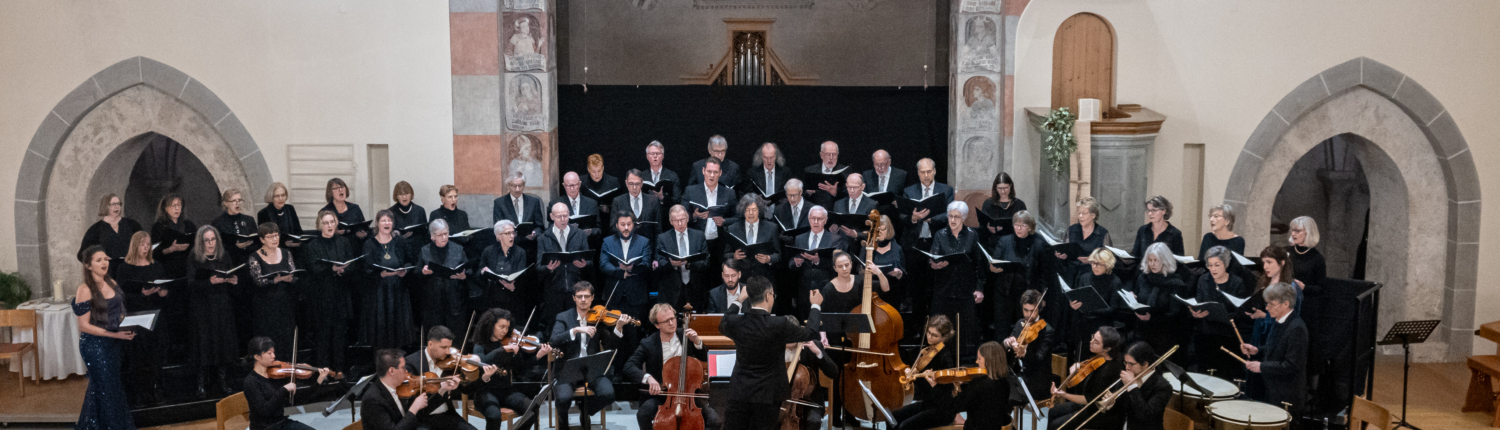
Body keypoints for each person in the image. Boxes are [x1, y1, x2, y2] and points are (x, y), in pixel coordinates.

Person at [719, 276, 823, 430]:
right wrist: (815, 305)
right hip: (767, 396)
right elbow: (812, 332)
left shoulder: (736, 322)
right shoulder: (779, 324)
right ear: (768, 296)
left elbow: (723, 323)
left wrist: (738, 300)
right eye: (773, 295)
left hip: (739, 392)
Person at [549, 282, 633, 430]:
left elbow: (609, 345)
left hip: (592, 370)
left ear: (592, 298)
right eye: (580, 296)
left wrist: (618, 327)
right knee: (563, 399)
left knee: (608, 394)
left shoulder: (598, 318)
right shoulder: (563, 317)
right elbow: (554, 340)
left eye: (586, 296)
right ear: (574, 298)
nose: (583, 300)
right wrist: (575, 330)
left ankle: (585, 410)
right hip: (566, 371)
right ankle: (563, 423)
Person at [624, 304, 721, 430]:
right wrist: (648, 378)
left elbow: (703, 356)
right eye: (666, 321)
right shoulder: (648, 344)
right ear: (657, 325)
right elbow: (629, 366)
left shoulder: (685, 336)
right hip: (661, 396)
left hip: (688, 395)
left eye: (673, 318)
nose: (671, 323)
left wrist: (697, 341)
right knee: (643, 414)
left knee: (715, 421)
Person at [74, 246, 138, 430]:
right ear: (88, 265)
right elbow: (83, 325)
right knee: (106, 389)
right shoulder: (84, 290)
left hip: (113, 343)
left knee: (107, 389)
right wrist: (114, 334)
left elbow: (119, 314)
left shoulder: (112, 283)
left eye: (106, 259)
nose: (104, 263)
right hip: (95, 346)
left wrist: (129, 325)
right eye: (99, 260)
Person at [473, 308, 553, 430]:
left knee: (532, 409)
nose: (505, 331)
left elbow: (521, 369)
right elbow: (483, 361)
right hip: (485, 392)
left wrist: (538, 355)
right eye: (501, 327)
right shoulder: (480, 345)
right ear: (491, 325)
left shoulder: (508, 343)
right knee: (494, 416)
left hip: (506, 391)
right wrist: (502, 350)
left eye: (507, 327)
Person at [114, 231, 169, 406]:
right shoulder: (125, 268)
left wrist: (164, 292)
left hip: (156, 315)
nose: (145, 247)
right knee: (138, 357)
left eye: (147, 244)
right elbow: (121, 296)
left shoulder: (156, 265)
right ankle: (140, 393)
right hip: (136, 316)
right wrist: (142, 294)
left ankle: (157, 389)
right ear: (135, 245)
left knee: (156, 355)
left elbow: (166, 290)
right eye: (142, 244)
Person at [1239, 282, 1308, 418]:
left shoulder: (1296, 328)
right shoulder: (1279, 320)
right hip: (1273, 390)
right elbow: (1276, 347)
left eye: (1271, 304)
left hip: (1287, 395)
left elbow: (1291, 365)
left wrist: (1261, 367)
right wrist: (1257, 350)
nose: (1267, 307)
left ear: (1285, 304)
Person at [302, 210, 358, 371]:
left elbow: (352, 265)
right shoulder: (312, 246)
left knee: (340, 336)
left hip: (340, 295)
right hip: (322, 297)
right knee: (323, 337)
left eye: (332, 222)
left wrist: (343, 270)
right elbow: (313, 268)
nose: (329, 226)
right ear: (320, 225)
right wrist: (331, 269)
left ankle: (340, 371)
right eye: (326, 223)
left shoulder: (344, 242)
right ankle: (324, 372)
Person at [187, 226, 240, 396]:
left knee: (222, 342)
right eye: (207, 240)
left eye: (213, 239)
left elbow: (230, 275)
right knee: (204, 342)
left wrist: (233, 281)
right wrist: (209, 282)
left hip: (222, 304)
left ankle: (223, 380)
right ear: (201, 242)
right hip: (203, 307)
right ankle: (201, 382)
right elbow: (190, 284)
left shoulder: (224, 256)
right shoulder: (194, 257)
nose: (210, 243)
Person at [989, 210, 1056, 338]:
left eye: (1023, 225)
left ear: (1030, 227)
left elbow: (1044, 274)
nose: (1018, 228)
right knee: (1002, 330)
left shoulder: (1039, 243)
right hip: (1005, 292)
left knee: (1025, 330)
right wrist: (993, 268)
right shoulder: (1004, 241)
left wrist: (1042, 297)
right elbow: (995, 261)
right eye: (1016, 225)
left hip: (1027, 293)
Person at [242, 337, 329, 430]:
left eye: (273, 352)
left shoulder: (277, 375)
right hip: (265, 427)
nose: (273, 356)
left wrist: (318, 382)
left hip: (281, 423)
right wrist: (284, 390)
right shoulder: (251, 382)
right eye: (269, 353)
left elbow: (298, 399)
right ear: (257, 357)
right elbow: (265, 411)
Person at [928, 201, 983, 347]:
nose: (952, 220)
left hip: (965, 289)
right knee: (942, 329)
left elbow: (979, 264)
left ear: (963, 218)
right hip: (944, 288)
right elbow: (932, 257)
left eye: (957, 217)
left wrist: (979, 288)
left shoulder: (972, 235)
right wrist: (934, 264)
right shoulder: (940, 234)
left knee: (964, 331)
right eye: (950, 216)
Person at [1048, 327, 1125, 430]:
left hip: (1099, 412)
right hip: (1091, 403)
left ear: (1107, 349)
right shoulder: (1103, 357)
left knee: (1056, 425)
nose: (1091, 341)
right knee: (1053, 411)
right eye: (1093, 337)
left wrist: (1064, 394)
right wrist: (1079, 365)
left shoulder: (1107, 372)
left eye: (1096, 342)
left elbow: (1089, 399)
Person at [404, 326, 481, 430]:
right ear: (430, 344)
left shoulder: (451, 363)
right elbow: (413, 407)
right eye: (443, 347)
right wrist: (442, 390)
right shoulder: (411, 363)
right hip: (423, 419)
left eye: (449, 347)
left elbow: (467, 390)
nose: (448, 352)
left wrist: (483, 377)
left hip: (447, 415)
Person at [1192, 246, 1250, 377]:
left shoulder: (1237, 283)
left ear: (1226, 264)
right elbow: (1199, 302)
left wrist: (1224, 316)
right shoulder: (1203, 280)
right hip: (1206, 334)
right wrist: (1195, 313)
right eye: (1210, 265)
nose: (1213, 269)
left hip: (1228, 336)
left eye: (1217, 265)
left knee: (1225, 375)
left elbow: (1241, 312)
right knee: (1204, 374)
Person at [892, 316, 958, 430]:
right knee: (893, 416)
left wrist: (933, 384)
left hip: (942, 410)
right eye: (928, 332)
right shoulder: (928, 351)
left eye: (934, 335)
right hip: (928, 403)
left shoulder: (945, 357)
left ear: (944, 337)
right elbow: (923, 388)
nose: (929, 337)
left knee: (904, 426)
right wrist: (913, 375)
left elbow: (945, 397)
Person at [362, 210, 415, 350]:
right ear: (377, 223)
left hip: (397, 290)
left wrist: (405, 271)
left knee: (398, 327)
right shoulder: (369, 244)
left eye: (389, 220)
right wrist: (380, 275)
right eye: (383, 220)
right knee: (380, 328)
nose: (387, 223)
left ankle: (397, 363)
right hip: (378, 293)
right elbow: (365, 269)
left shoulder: (399, 241)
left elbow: (410, 261)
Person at [1127, 242, 1190, 355]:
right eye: (1150, 260)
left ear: (1165, 261)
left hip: (1164, 335)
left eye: (1156, 260)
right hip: (1142, 332)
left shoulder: (1175, 283)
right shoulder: (1143, 278)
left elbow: (1176, 314)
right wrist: (1133, 298)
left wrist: (1152, 317)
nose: (1152, 264)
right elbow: (1139, 298)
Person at [248, 222, 298, 352]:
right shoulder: (255, 257)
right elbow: (258, 281)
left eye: (276, 235)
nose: (275, 239)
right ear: (262, 239)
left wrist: (291, 278)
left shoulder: (286, 253)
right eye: (270, 237)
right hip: (265, 305)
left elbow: (294, 273)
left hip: (284, 303)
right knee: (269, 340)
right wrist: (276, 280)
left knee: (287, 338)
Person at [538, 202, 593, 320]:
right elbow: (538, 266)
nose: (563, 219)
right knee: (554, 325)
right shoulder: (543, 238)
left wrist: (584, 265)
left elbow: (590, 262)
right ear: (552, 216)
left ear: (569, 214)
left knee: (575, 324)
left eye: (565, 216)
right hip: (554, 290)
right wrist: (548, 268)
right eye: (559, 217)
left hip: (576, 289)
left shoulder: (580, 234)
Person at [1099, 342, 1172, 430]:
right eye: (1125, 363)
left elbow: (1146, 416)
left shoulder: (1163, 387)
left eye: (1131, 364)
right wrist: (1111, 404)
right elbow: (1121, 410)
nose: (1127, 367)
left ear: (1145, 364)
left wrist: (1132, 387)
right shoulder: (1128, 375)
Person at [1066, 249, 1123, 360]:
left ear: (1107, 265)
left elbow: (1113, 308)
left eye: (1099, 264)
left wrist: (1091, 309)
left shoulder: (1115, 281)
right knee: (1081, 356)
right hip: (1084, 324)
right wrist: (1074, 305)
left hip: (1102, 326)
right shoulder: (1084, 277)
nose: (1094, 266)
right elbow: (1079, 301)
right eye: (1093, 263)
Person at [789, 206, 845, 319]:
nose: (815, 222)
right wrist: (796, 263)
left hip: (825, 291)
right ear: (808, 219)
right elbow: (790, 263)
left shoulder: (835, 239)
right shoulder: (800, 238)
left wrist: (819, 261)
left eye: (819, 219)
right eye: (813, 218)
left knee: (823, 328)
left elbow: (839, 266)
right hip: (804, 292)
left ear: (825, 220)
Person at [418, 218, 470, 333]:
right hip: (433, 302)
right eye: (440, 235)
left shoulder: (458, 249)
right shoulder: (425, 250)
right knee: (436, 335)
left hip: (455, 301)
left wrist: (463, 276)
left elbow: (469, 271)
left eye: (446, 233)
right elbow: (416, 273)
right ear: (432, 236)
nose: (444, 237)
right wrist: (423, 271)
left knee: (456, 336)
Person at [600, 211, 652, 321]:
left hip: (636, 296)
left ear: (634, 225)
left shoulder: (644, 242)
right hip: (614, 295)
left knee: (635, 334)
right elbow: (604, 264)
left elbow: (646, 264)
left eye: (629, 224)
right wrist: (621, 272)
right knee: (613, 333)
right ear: (616, 225)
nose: (626, 228)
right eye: (623, 224)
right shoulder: (607, 241)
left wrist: (632, 268)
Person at [654, 205, 708, 310]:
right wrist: (672, 264)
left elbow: (706, 262)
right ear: (671, 221)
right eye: (676, 221)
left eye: (682, 220)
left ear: (687, 218)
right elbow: (660, 262)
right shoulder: (663, 238)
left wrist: (689, 264)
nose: (680, 224)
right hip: (672, 288)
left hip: (695, 287)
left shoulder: (699, 236)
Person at [360, 348, 428, 430]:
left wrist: (441, 392)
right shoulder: (372, 400)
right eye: (403, 367)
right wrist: (414, 408)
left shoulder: (399, 387)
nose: (406, 371)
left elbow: (417, 418)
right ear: (391, 371)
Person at [78, 193, 143, 276]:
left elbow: (144, 244)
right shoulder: (96, 229)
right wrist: (100, 260)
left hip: (132, 271)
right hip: (108, 274)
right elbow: (82, 255)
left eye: (118, 204)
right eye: (113, 204)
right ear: (105, 206)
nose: (117, 207)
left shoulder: (132, 225)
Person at [723, 194, 780, 285]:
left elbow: (778, 254)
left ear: (759, 210)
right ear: (743, 211)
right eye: (747, 210)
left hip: (764, 277)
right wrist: (734, 256)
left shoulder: (771, 228)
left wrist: (768, 258)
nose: (751, 213)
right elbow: (725, 254)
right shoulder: (733, 229)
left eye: (754, 210)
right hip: (741, 279)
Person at [954, 342, 1011, 429]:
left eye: (979, 359)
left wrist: (956, 389)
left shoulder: (978, 384)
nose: (976, 361)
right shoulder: (1004, 382)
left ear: (989, 360)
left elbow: (957, 406)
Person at [783, 340, 838, 430]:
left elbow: (833, 373)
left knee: (813, 421)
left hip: (810, 402)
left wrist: (818, 352)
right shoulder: (775, 346)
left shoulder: (812, 346)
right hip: (781, 400)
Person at [479, 220, 531, 315]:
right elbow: (479, 272)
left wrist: (514, 286)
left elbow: (523, 275)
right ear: (499, 236)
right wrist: (483, 272)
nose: (512, 236)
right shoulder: (488, 251)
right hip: (492, 297)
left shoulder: (520, 252)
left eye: (513, 232)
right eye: (508, 233)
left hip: (513, 297)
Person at [1058, 197, 1112, 281]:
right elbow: (1065, 249)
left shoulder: (1102, 233)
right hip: (1070, 272)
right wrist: (1062, 255)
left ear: (1093, 215)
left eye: (1084, 213)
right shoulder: (1072, 229)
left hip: (1091, 274)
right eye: (1079, 213)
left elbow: (1108, 259)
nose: (1080, 216)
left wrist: (1091, 259)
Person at [492, 173, 547, 247]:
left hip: (530, 246)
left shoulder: (533, 202)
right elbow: (498, 228)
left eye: (520, 186)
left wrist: (534, 233)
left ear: (524, 185)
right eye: (514, 186)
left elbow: (539, 226)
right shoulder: (500, 203)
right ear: (508, 186)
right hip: (509, 246)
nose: (517, 189)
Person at [151, 193, 197, 280]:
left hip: (186, 269)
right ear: (165, 208)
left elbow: (198, 243)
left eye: (179, 205)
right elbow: (154, 252)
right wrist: (170, 249)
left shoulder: (189, 225)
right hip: (167, 271)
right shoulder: (158, 227)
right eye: (173, 205)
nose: (177, 208)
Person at [611, 169, 663, 240]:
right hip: (626, 245)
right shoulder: (618, 201)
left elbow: (658, 230)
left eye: (637, 184)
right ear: (626, 183)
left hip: (648, 247)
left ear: (642, 183)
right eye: (631, 184)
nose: (634, 187)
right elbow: (613, 227)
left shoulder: (653, 200)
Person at [550, 172, 602, 240]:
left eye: (574, 185)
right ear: (564, 185)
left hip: (587, 243)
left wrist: (591, 231)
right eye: (569, 185)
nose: (572, 188)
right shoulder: (555, 203)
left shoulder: (592, 203)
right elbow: (550, 229)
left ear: (579, 184)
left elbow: (599, 229)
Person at [979, 172, 1027, 244]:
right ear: (995, 188)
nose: (1003, 191)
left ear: (1011, 186)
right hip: (993, 241)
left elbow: (1025, 226)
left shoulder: (1019, 204)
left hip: (1014, 242)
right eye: (1000, 188)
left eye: (1006, 188)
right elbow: (982, 226)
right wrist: (988, 228)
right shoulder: (988, 203)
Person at [802, 141, 848, 209]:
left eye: (834, 154)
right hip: (815, 211)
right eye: (828, 154)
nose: (831, 158)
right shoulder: (810, 170)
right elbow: (801, 194)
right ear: (821, 155)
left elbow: (849, 196)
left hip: (834, 210)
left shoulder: (844, 171)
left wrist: (835, 193)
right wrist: (808, 193)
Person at [389, 181, 430, 256]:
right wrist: (399, 237)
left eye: (407, 194)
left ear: (411, 194)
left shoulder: (419, 210)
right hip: (397, 250)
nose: (404, 197)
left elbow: (425, 234)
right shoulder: (390, 212)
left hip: (417, 250)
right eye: (400, 194)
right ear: (396, 196)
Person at [256, 183, 304, 247]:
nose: (281, 198)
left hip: (294, 247)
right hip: (274, 248)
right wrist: (284, 243)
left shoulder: (290, 209)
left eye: (283, 195)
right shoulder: (263, 213)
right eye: (277, 196)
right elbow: (264, 238)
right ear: (271, 197)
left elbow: (298, 231)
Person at [644, 141, 683, 207]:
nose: (655, 156)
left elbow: (678, 200)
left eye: (658, 153)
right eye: (652, 153)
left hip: (666, 213)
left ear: (663, 156)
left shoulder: (672, 176)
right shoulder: (641, 176)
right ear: (647, 156)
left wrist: (663, 198)